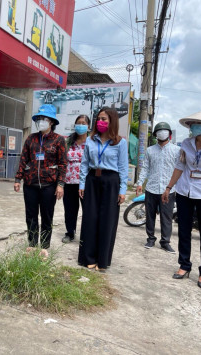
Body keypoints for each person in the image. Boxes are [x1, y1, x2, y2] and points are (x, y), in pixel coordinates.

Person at [162, 109, 201, 289]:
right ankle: (184, 265)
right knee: (184, 230)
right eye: (192, 124)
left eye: (198, 124)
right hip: (185, 192)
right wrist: (169, 187)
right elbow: (179, 167)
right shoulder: (186, 144)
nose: (194, 127)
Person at [78, 107, 128, 272]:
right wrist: (82, 184)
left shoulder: (120, 142)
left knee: (107, 221)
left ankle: (103, 260)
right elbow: (84, 163)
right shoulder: (91, 141)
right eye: (99, 118)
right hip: (92, 180)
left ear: (112, 121)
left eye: (104, 119)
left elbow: (123, 168)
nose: (100, 122)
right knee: (90, 218)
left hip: (111, 181)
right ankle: (88, 257)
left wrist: (122, 190)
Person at [14, 104, 67, 249]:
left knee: (46, 217)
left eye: (44, 118)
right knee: (31, 216)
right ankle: (31, 244)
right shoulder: (31, 139)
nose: (40, 121)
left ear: (51, 122)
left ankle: (44, 247)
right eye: (39, 118)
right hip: (30, 185)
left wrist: (60, 184)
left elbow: (63, 164)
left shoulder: (58, 140)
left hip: (49, 186)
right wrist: (18, 179)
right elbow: (23, 159)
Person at [136, 122, 180, 253]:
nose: (162, 133)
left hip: (168, 190)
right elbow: (145, 168)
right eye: (159, 131)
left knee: (166, 217)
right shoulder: (150, 150)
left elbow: (179, 169)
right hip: (152, 188)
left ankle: (165, 242)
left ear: (169, 134)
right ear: (155, 134)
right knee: (150, 215)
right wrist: (139, 182)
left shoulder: (176, 150)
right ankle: (150, 238)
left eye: (165, 130)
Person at [62, 114, 90, 243]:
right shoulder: (69, 141)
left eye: (84, 123)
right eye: (79, 123)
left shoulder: (92, 142)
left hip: (86, 183)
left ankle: (86, 234)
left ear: (88, 126)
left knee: (88, 210)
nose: (81, 125)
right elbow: (62, 160)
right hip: (69, 182)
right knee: (70, 209)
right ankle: (70, 232)